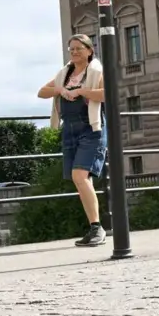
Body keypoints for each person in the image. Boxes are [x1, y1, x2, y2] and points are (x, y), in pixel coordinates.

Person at [37, 34, 108, 247]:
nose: (74, 52)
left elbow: (107, 94)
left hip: (91, 127)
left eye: (78, 48)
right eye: (71, 49)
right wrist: (60, 90)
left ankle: (97, 228)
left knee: (79, 175)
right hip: (69, 129)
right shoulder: (65, 73)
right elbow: (41, 92)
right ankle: (94, 227)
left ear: (89, 50)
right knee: (80, 179)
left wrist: (81, 92)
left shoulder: (96, 72)